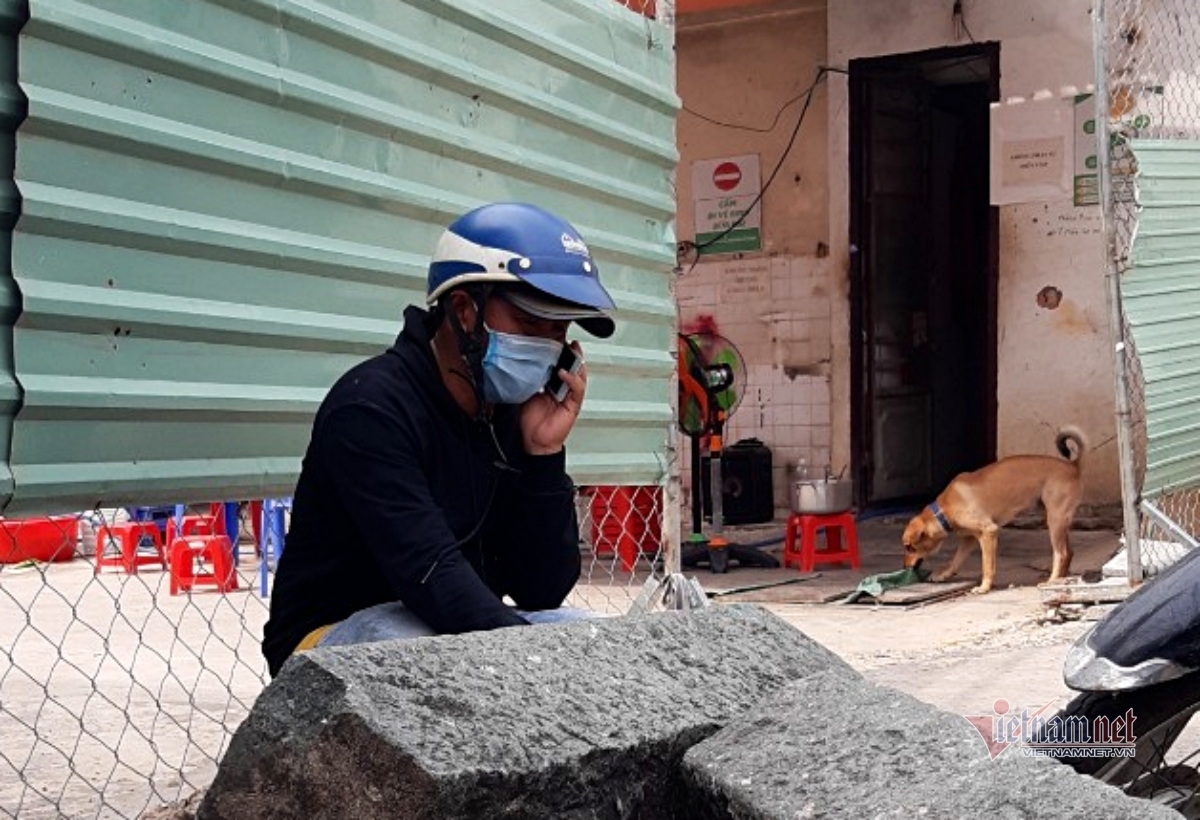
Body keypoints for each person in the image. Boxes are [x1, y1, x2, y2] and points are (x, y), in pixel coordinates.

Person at [262, 202, 616, 677]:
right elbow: (429, 573)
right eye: (531, 324)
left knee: (584, 632)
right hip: (332, 635)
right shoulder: (370, 407)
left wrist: (542, 455)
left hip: (449, 624)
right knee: (413, 647)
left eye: (559, 330)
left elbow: (542, 590)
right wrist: (532, 663)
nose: (548, 347)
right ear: (465, 312)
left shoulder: (508, 413)